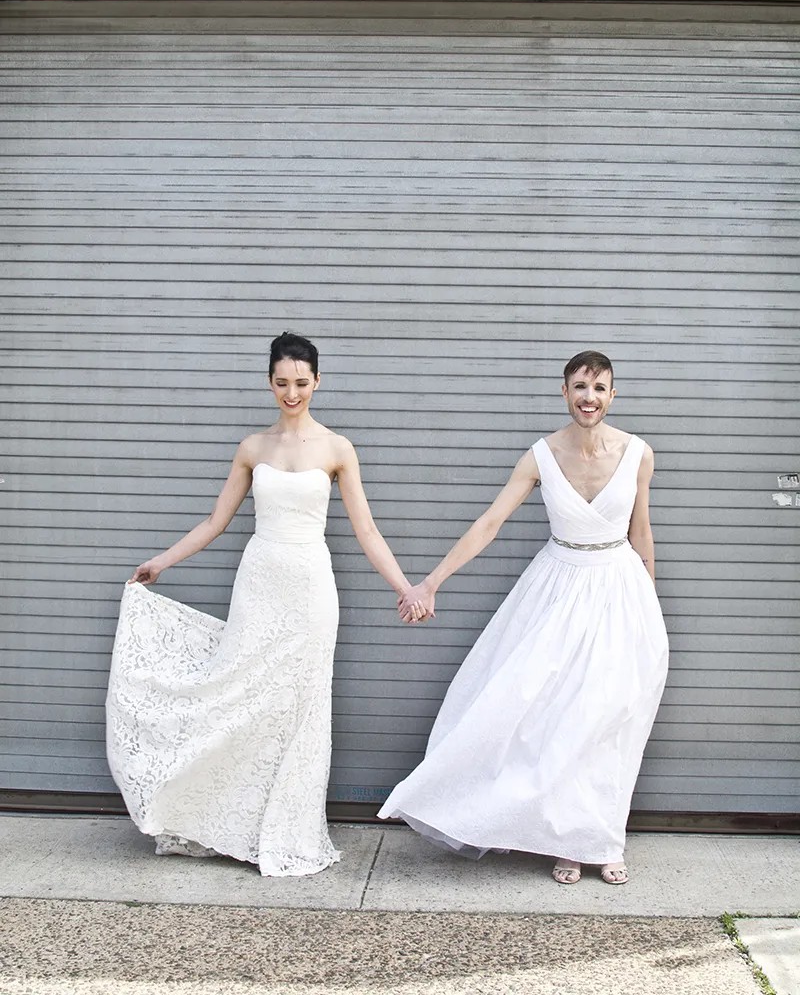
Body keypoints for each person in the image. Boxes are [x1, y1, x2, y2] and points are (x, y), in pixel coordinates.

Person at [106, 332, 421, 877]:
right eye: (282, 383)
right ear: (269, 383)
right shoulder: (253, 447)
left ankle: (289, 829)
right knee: (241, 693)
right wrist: (161, 562)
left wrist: (405, 586)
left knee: (300, 707)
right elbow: (214, 522)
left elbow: (366, 530)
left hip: (311, 589)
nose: (292, 393)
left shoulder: (337, 448)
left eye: (301, 383)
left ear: (317, 382)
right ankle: (231, 821)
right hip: (259, 585)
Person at [382, 350, 669, 886]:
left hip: (619, 590)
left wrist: (648, 603)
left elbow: (642, 531)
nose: (589, 397)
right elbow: (489, 524)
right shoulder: (540, 456)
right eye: (580, 386)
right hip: (557, 589)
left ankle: (603, 839)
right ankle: (565, 840)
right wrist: (431, 581)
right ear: (564, 392)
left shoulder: (638, 454)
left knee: (609, 718)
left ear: (613, 395)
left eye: (599, 388)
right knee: (554, 716)